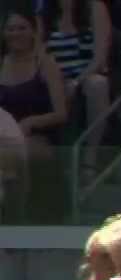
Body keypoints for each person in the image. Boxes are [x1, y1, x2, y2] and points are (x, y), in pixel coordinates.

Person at [41, 0, 110, 178]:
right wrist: (57, 81)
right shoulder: (44, 12)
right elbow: (39, 57)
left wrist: (77, 82)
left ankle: (90, 158)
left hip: (86, 74)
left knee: (98, 84)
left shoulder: (94, 8)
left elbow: (99, 59)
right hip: (54, 76)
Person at [0, 8, 68, 164]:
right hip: (3, 136)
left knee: (8, 154)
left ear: (33, 32)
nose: (16, 33)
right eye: (10, 29)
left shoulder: (46, 64)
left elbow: (61, 114)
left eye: (22, 28)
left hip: (39, 138)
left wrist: (31, 122)